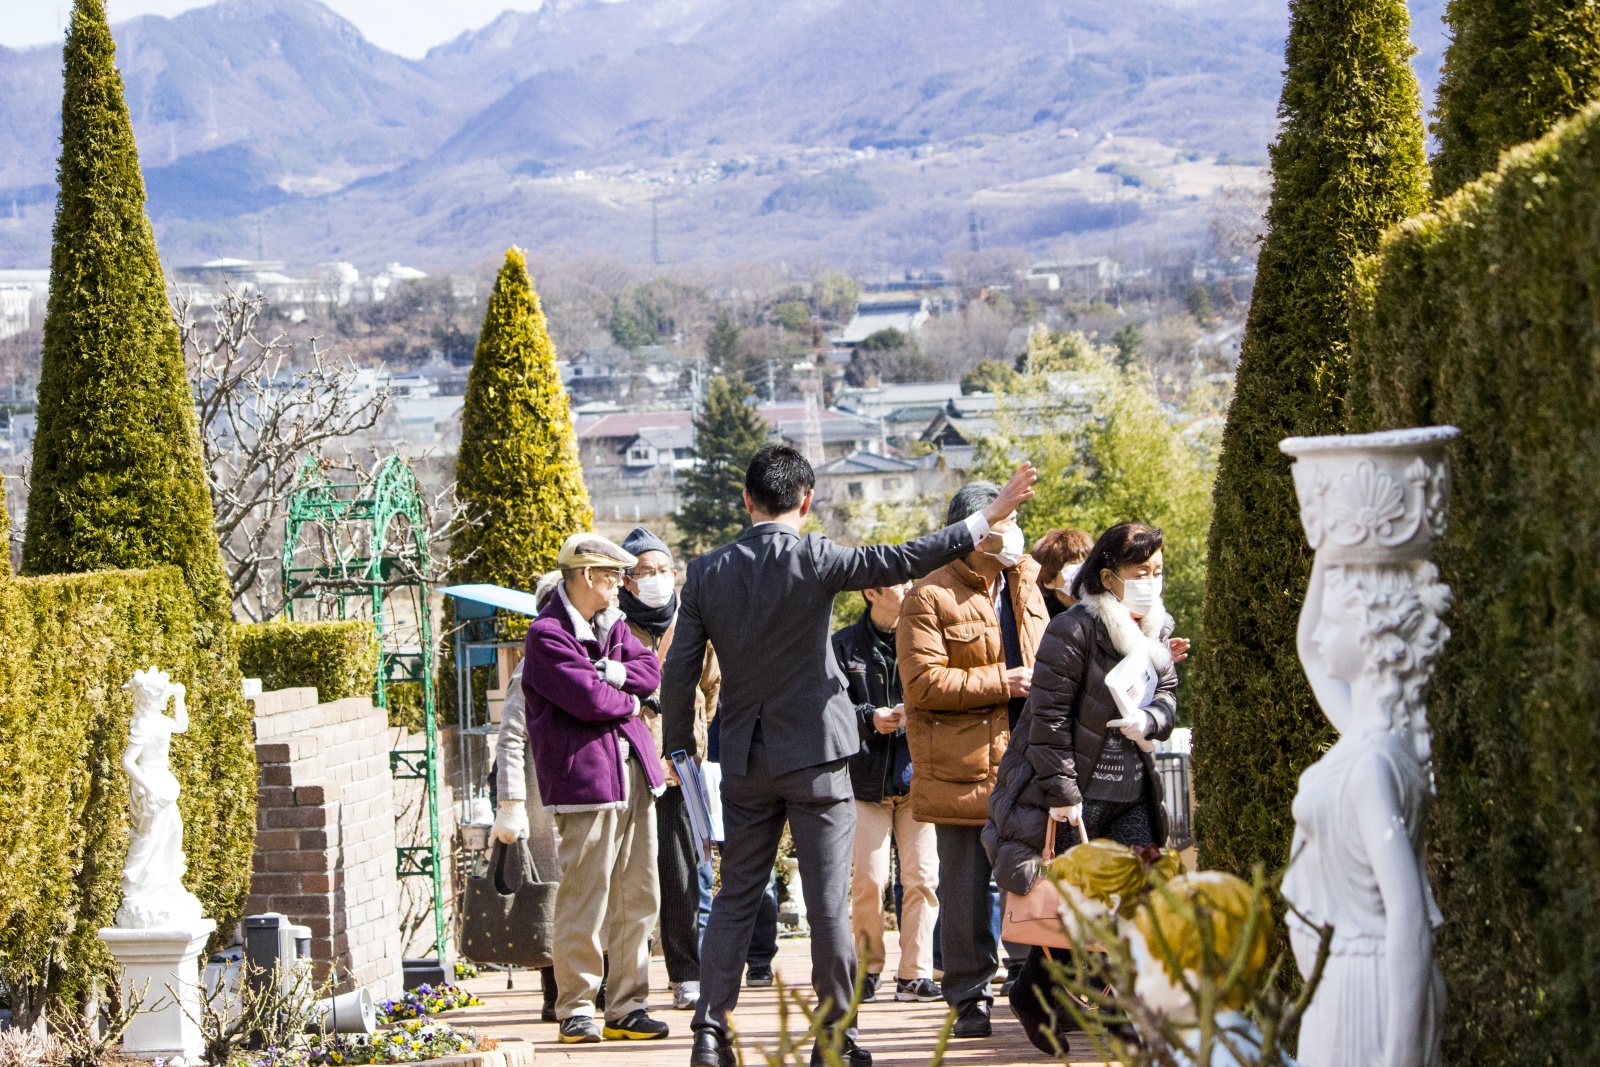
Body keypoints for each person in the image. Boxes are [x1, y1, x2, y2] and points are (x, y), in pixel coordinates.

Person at [660, 445, 1037, 1067]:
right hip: (819, 756)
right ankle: (833, 1039)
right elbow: (907, 556)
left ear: (746, 500)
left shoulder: (704, 572)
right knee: (828, 900)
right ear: (806, 501)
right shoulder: (818, 557)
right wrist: (986, 518)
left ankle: (710, 1034)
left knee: (735, 896)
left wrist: (681, 747)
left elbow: (679, 671)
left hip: (748, 760)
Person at [984, 521, 1179, 1054]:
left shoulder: (1156, 628)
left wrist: (1154, 721)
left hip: (1135, 790)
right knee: (1075, 917)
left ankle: (1033, 991)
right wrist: (1063, 795)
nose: (1152, 581)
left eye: (1158, 571)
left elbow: (1167, 692)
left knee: (1139, 905)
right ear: (1110, 575)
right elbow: (1045, 719)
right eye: (1142, 572)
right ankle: (1112, 1015)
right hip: (1080, 796)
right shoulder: (1074, 628)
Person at [897, 482, 1050, 1039]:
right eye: (1005, 521)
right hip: (960, 764)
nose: (1015, 533)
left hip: (1027, 760)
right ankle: (968, 995)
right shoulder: (929, 595)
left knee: (1029, 876)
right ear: (976, 529)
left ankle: (1031, 983)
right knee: (965, 886)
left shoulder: (1026, 581)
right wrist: (1002, 681)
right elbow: (922, 682)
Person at [516, 533, 669, 1044]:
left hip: (635, 773)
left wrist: (621, 674)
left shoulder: (617, 626)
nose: (620, 586)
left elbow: (651, 672)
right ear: (585, 577)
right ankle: (577, 1007)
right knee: (586, 896)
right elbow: (587, 699)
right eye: (611, 577)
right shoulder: (547, 634)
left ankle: (628, 1006)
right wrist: (630, 702)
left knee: (639, 894)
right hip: (586, 782)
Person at [616, 525, 723, 1013]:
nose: (657, 579)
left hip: (681, 767)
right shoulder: (614, 627)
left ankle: (686, 974)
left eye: (664, 570)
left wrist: (690, 742)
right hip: (628, 767)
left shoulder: (692, 622)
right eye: (645, 571)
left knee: (682, 871)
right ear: (626, 581)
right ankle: (620, 976)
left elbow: (712, 688)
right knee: (626, 875)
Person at [833, 581, 940, 1005]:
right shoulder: (842, 646)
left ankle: (915, 974)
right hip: (865, 782)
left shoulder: (926, 635)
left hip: (920, 779)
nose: (911, 589)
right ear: (871, 593)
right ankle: (868, 968)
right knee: (869, 881)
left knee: (923, 879)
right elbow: (830, 705)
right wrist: (867, 717)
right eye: (901, 584)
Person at [490, 573, 566, 1024]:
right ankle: (555, 993)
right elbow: (510, 736)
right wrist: (511, 804)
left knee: (583, 891)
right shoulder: (530, 665)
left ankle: (590, 988)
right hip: (542, 795)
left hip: (572, 791)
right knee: (550, 892)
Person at [1029, 528, 1094, 618]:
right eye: (1074, 564)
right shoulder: (1045, 621)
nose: (1083, 569)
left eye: (1087, 562)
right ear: (1048, 581)